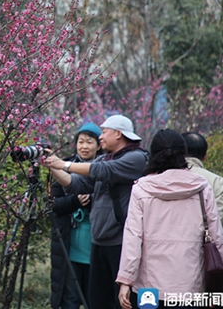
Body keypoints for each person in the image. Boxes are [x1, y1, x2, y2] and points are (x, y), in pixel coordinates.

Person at [45, 114, 149, 309]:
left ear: (118, 134)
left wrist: (64, 164)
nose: (101, 137)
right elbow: (76, 183)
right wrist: (53, 166)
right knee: (98, 301)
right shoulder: (104, 158)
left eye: (104, 132)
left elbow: (104, 171)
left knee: (120, 301)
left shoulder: (135, 157)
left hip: (121, 241)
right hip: (99, 240)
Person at [117, 129, 223, 309]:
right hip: (192, 285)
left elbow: (133, 239)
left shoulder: (141, 188)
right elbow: (217, 237)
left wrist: (125, 280)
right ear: (183, 154)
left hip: (149, 288)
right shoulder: (201, 187)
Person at [49, 122, 103, 309]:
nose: (84, 146)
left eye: (89, 142)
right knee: (70, 298)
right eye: (81, 142)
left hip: (96, 245)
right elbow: (52, 204)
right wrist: (75, 201)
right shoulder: (61, 166)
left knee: (95, 298)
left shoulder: (106, 167)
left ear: (99, 145)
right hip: (69, 243)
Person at [182, 132, 223, 222]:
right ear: (205, 156)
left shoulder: (159, 178)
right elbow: (218, 218)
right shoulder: (217, 181)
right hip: (202, 235)